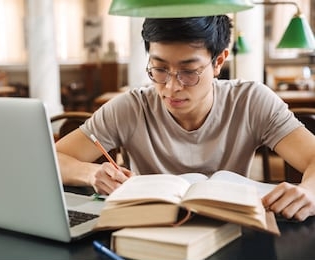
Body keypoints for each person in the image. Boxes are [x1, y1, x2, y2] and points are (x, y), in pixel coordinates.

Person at [56, 15, 315, 221]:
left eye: (188, 72)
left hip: (231, 233)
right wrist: (91, 174)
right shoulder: (130, 107)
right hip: (147, 232)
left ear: (218, 62)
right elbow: (51, 158)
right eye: (159, 69)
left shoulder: (251, 101)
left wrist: (309, 192)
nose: (171, 87)